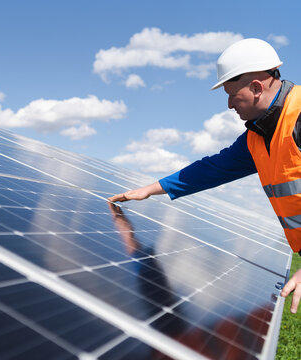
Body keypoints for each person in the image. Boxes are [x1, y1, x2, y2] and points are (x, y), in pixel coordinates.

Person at [108, 38, 301, 313]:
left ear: (257, 88)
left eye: (233, 94)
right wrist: (152, 188)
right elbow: (213, 168)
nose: (230, 105)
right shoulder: (257, 136)